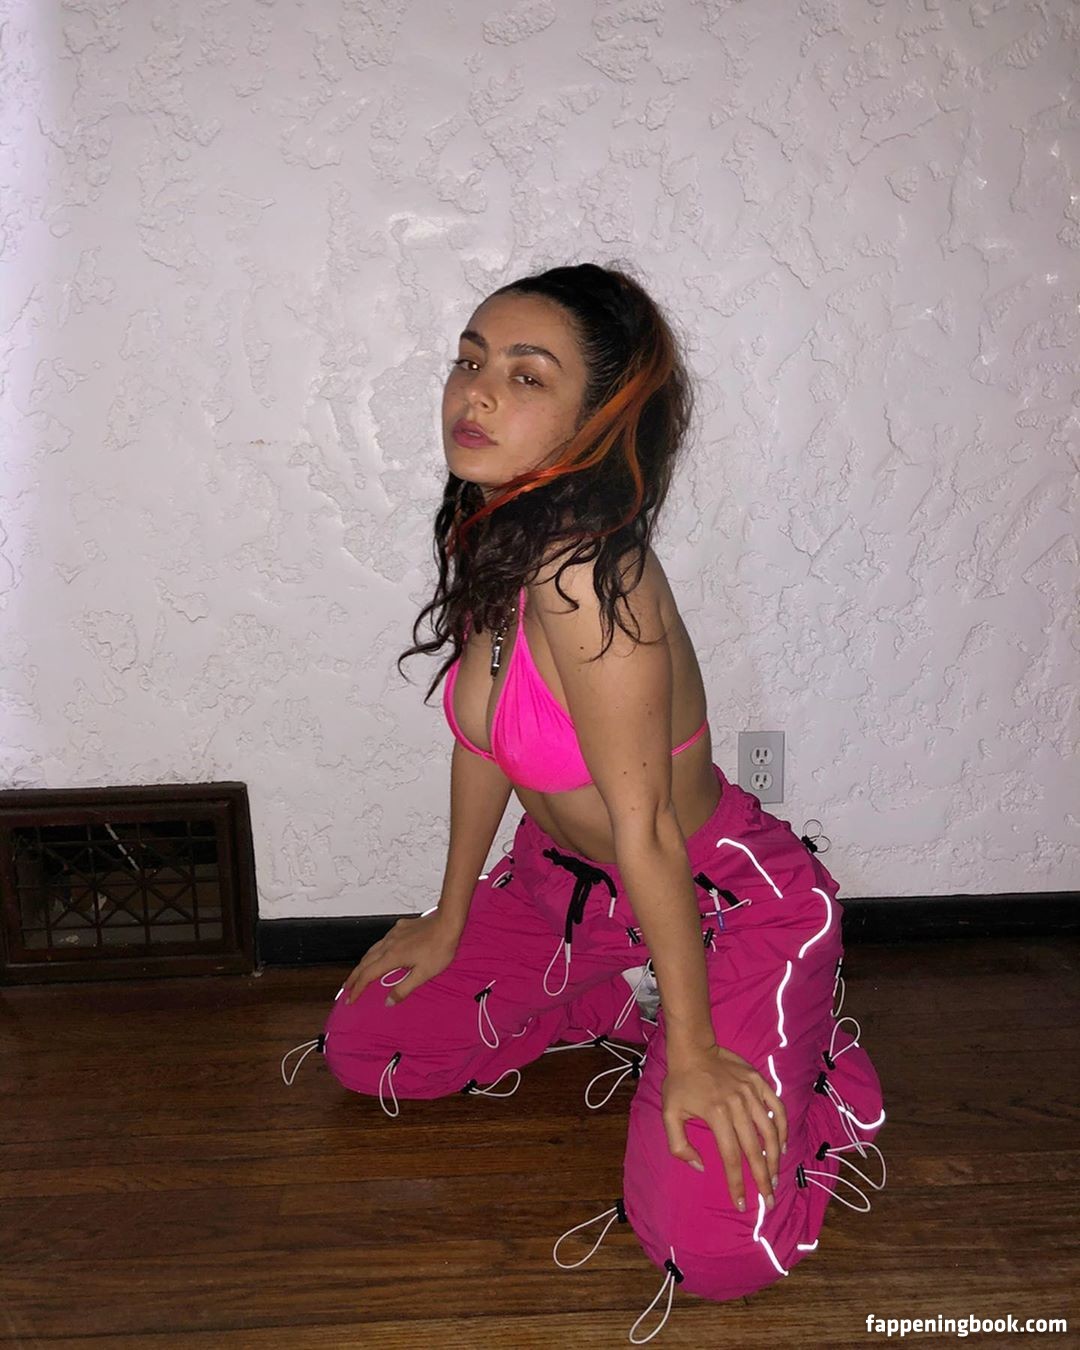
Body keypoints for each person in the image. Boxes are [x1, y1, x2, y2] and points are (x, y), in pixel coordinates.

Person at [282, 263, 885, 1343]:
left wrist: (697, 1054)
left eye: (525, 375)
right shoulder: (498, 534)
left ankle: (792, 1059)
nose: (475, 392)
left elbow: (647, 830)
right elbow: (483, 749)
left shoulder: (588, 578)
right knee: (371, 1046)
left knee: (711, 1252)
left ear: (598, 419)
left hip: (720, 900)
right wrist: (449, 917)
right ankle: (630, 1001)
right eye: (469, 360)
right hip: (567, 890)